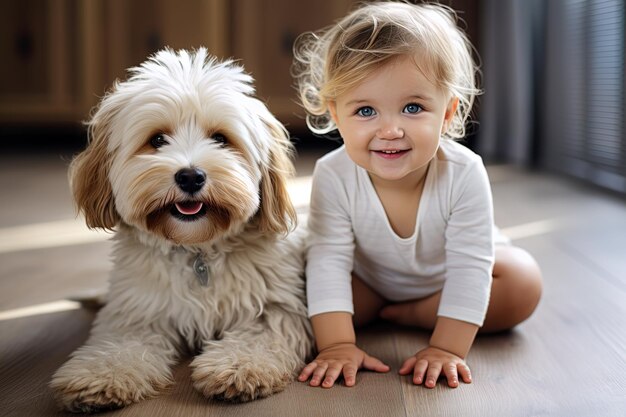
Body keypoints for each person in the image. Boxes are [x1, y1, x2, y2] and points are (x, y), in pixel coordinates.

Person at [292, 1, 543, 390]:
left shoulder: (464, 173)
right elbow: (328, 258)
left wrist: (446, 348)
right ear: (336, 114)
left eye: (413, 107)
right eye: (365, 111)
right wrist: (337, 344)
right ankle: (393, 310)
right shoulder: (333, 173)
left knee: (523, 283)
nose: (390, 130)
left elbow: (470, 266)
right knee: (309, 289)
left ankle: (415, 314)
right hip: (371, 282)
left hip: (451, 280)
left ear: (446, 114)